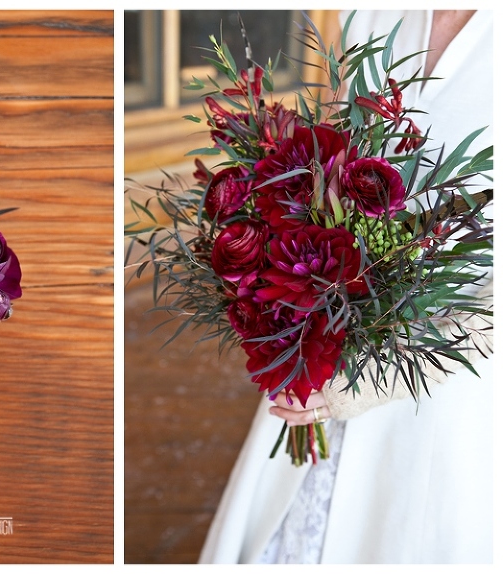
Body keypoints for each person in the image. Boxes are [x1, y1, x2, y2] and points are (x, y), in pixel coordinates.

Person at [198, 10, 493, 563]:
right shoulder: (374, 14)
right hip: (330, 324)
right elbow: (326, 162)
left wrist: (359, 389)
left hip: (446, 388)